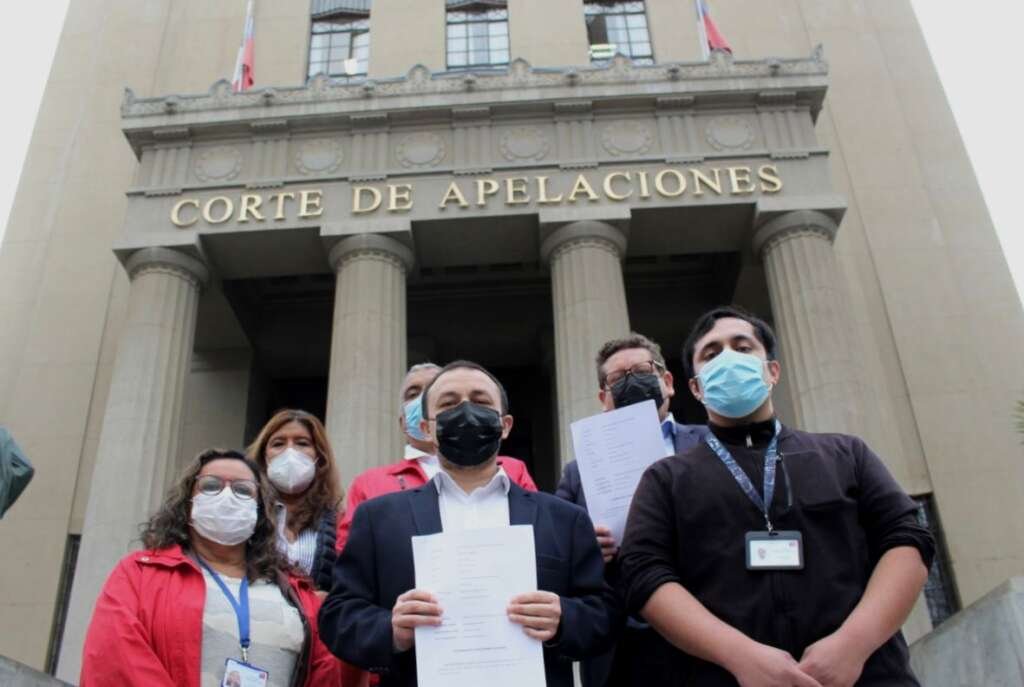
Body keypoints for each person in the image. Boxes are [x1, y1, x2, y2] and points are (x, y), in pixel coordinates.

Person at [618, 306, 935, 687]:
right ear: (696, 388)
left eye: (742, 346)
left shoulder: (846, 454)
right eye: (712, 353)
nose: (729, 358)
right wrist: (740, 657)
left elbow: (907, 539)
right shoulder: (665, 478)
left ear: (772, 371)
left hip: (867, 675)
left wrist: (852, 646)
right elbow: (643, 572)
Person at [318, 360, 618, 687]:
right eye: (448, 404)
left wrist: (564, 619)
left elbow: (604, 612)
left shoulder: (563, 519)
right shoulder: (378, 518)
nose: (465, 411)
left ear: (505, 424)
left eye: (480, 401)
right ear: (428, 427)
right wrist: (391, 629)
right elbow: (338, 616)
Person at [80, 448, 343, 687]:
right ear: (188, 501)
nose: (227, 496)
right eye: (211, 486)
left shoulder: (298, 594)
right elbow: (115, 660)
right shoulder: (138, 575)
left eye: (242, 490)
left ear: (260, 509)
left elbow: (326, 675)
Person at [554, 333, 706, 686]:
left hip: (706, 631)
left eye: (641, 370)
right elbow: (558, 550)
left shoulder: (710, 444)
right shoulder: (578, 473)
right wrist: (585, 547)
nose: (631, 380)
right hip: (620, 644)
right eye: (618, 378)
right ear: (603, 398)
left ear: (667, 383)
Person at [335, 362, 538, 552]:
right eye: (413, 393)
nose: (422, 398)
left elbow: (538, 534)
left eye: (433, 389)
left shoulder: (511, 469)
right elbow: (352, 557)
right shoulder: (369, 483)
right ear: (404, 422)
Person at [248, 409, 342, 591]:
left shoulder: (339, 521)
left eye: (302, 443)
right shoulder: (245, 512)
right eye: (278, 444)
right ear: (263, 457)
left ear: (319, 457)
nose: (290, 452)